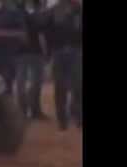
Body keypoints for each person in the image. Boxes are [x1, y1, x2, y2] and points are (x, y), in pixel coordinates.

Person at [46, 0, 80, 131]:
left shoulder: (78, 9)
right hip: (58, 52)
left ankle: (78, 116)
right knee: (60, 87)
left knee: (78, 86)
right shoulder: (54, 10)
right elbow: (47, 33)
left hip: (76, 51)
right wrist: (49, 53)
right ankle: (62, 120)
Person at [14, 0, 48, 120]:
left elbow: (42, 31)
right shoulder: (19, 11)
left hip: (33, 51)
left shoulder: (37, 11)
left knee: (35, 82)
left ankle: (33, 110)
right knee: (23, 83)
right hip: (23, 51)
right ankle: (25, 111)